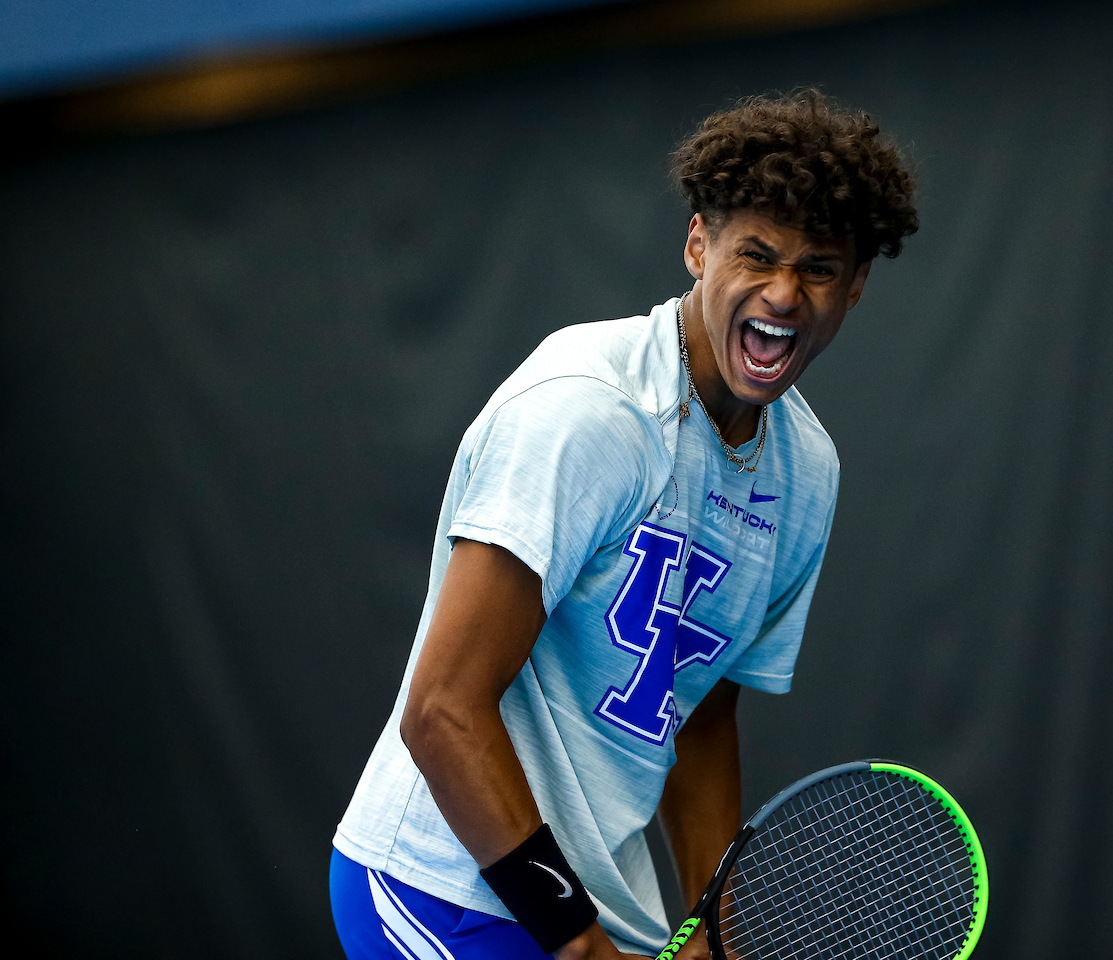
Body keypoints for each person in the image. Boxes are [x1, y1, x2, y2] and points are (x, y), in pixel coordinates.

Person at [329, 89, 919, 959]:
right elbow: (442, 709)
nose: (784, 293)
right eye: (756, 255)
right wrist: (575, 941)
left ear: (856, 286)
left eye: (820, 269)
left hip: (600, 907)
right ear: (697, 244)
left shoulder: (807, 474)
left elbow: (700, 711)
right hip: (438, 882)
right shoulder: (587, 410)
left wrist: (715, 928)